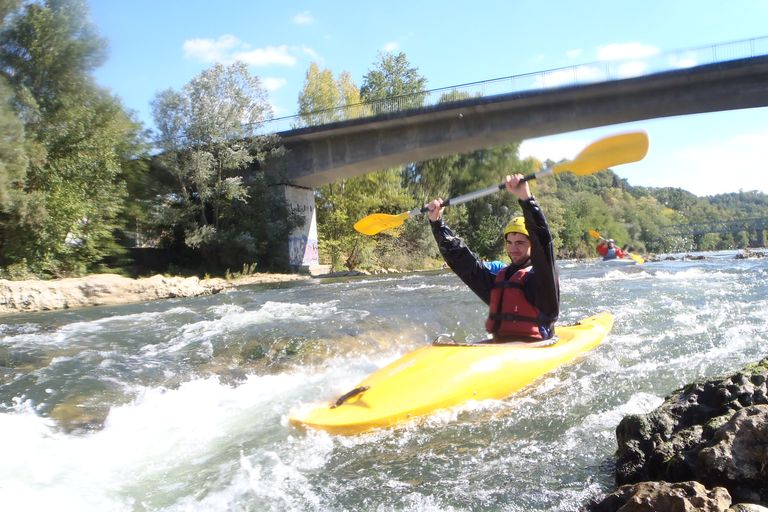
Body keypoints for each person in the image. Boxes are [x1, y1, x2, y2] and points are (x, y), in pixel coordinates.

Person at [427, 174, 559, 341]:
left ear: (532, 245)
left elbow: (542, 239)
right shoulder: (500, 280)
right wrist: (437, 222)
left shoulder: (542, 277)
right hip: (501, 344)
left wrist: (526, 199)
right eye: (509, 242)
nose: (513, 248)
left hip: (537, 345)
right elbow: (464, 263)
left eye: (520, 243)